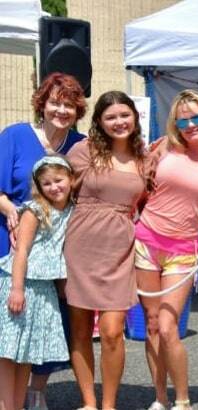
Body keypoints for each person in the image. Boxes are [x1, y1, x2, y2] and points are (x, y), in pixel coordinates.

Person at [0, 72, 86, 410]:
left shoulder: (79, 145)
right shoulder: (17, 135)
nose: (61, 110)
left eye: (68, 104)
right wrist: (10, 210)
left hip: (54, 249)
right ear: (42, 104)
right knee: (11, 324)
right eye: (55, 102)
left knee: (48, 318)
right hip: (11, 241)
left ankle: (36, 389)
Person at [136, 89, 198, 410]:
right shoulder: (163, 149)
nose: (190, 124)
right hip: (146, 241)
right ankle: (159, 397)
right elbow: (138, 186)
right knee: (153, 324)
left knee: (170, 327)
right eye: (182, 119)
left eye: (197, 117)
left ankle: (182, 400)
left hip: (183, 250)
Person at [64, 91, 146, 410]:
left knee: (112, 331)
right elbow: (55, 189)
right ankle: (88, 402)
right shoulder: (83, 150)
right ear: (99, 121)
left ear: (134, 117)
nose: (118, 122)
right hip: (81, 245)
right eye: (110, 117)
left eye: (124, 115)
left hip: (120, 248)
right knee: (81, 328)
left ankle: (109, 404)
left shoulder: (144, 155)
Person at [0, 155, 75, 410]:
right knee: (8, 353)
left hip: (44, 289)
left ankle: (17, 405)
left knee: (27, 354)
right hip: (19, 283)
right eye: (47, 183)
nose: (54, 187)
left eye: (59, 180)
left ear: (71, 179)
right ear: (39, 186)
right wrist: (17, 289)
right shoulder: (35, 210)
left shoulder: (71, 210)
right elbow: (21, 252)